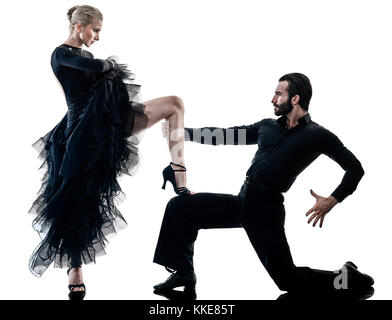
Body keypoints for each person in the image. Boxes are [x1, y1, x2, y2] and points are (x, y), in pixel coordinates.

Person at [153, 73, 374, 297]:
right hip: (243, 201)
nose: (272, 99)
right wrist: (182, 133)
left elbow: (355, 168)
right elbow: (225, 135)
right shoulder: (266, 126)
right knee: (180, 207)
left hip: (266, 211)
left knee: (287, 279)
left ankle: (347, 276)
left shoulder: (317, 135)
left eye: (279, 94)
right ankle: (183, 273)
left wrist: (333, 199)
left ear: (295, 99)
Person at [28, 5, 191, 300]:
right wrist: (108, 66)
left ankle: (178, 169)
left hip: (109, 119)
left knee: (175, 103)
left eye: (100, 31)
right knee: (78, 202)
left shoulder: (86, 55)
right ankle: (74, 270)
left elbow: (101, 69)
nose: (98, 37)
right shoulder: (61, 54)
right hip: (82, 134)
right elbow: (98, 69)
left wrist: (108, 68)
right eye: (96, 30)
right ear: (79, 26)